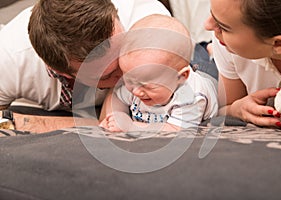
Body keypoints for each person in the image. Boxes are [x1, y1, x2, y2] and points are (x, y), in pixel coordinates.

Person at [0, 0, 170, 132]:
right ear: (63, 73)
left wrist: (34, 124)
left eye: (124, 52)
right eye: (108, 74)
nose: (126, 74)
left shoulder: (151, 23)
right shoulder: (9, 58)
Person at [100, 14, 218, 132]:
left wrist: (131, 126)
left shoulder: (192, 97)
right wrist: (116, 117)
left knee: (208, 63)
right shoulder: (138, 80)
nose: (136, 91)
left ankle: (209, 49)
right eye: (129, 79)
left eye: (147, 85)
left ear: (181, 77)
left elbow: (175, 129)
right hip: (178, 69)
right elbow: (116, 97)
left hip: (207, 75)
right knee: (181, 59)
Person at [205, 0, 281, 132]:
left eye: (223, 27)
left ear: (278, 43)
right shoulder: (225, 43)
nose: (207, 25)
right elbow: (224, 108)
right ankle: (208, 51)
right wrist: (236, 109)